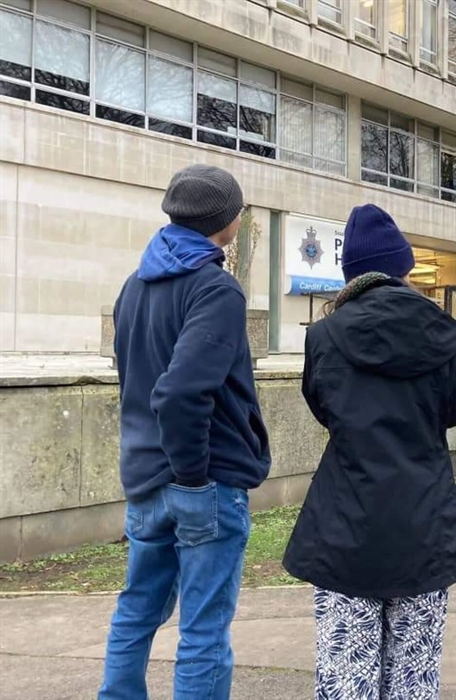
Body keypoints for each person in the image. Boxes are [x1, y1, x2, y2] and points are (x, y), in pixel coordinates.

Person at [283, 203, 456, 700]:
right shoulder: (443, 332)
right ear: (404, 267)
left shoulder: (324, 336)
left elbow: (322, 407)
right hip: (424, 521)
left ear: (350, 273)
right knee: (414, 678)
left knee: (347, 678)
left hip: (345, 523)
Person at [99, 164, 272, 700]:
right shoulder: (216, 289)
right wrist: (194, 478)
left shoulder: (134, 286)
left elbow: (132, 379)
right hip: (203, 480)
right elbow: (178, 393)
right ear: (228, 220)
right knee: (203, 630)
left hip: (145, 477)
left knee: (136, 610)